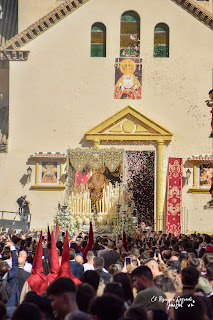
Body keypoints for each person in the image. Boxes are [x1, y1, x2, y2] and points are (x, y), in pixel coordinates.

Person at [0, 239, 19, 318]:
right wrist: (12, 247)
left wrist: (2, 251)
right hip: (12, 305)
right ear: (9, 269)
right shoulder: (13, 273)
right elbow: (15, 262)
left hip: (1, 306)